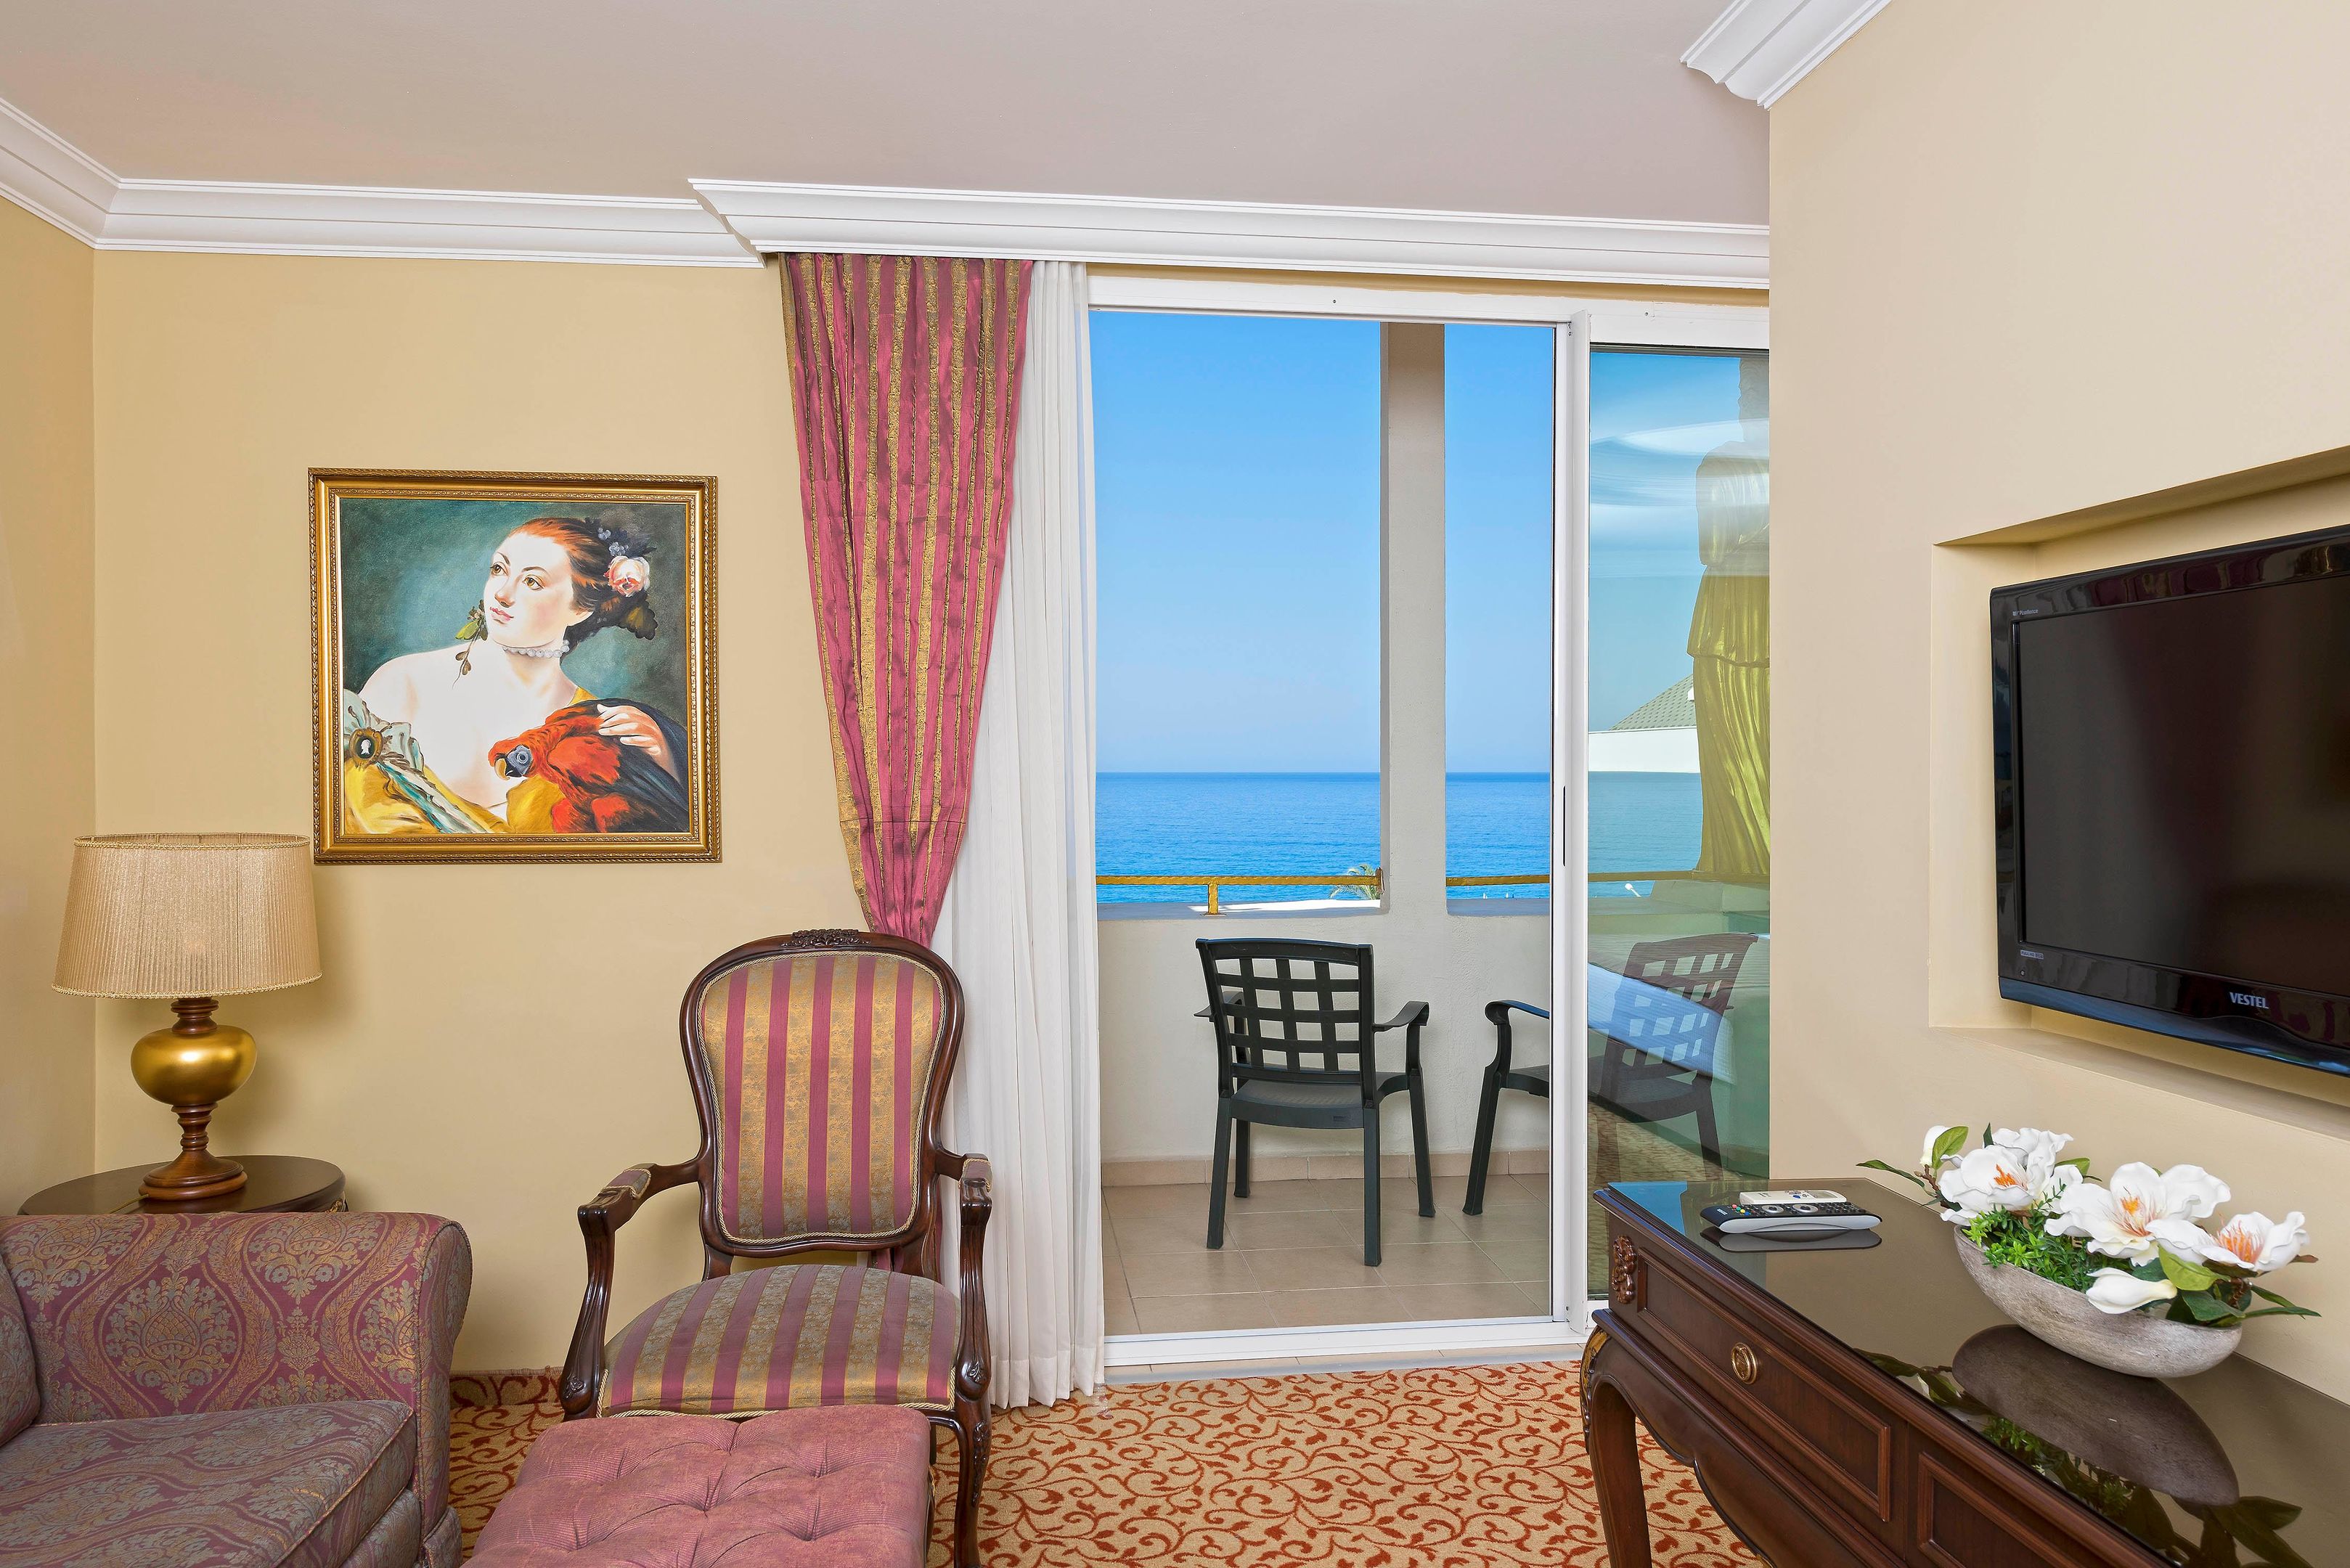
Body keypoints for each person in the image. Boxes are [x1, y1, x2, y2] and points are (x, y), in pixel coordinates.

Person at [343, 516, 680, 833]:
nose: (502, 594)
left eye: (532, 581)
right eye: (499, 569)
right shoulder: (403, 684)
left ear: (581, 610)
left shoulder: (596, 727)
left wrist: (665, 768)